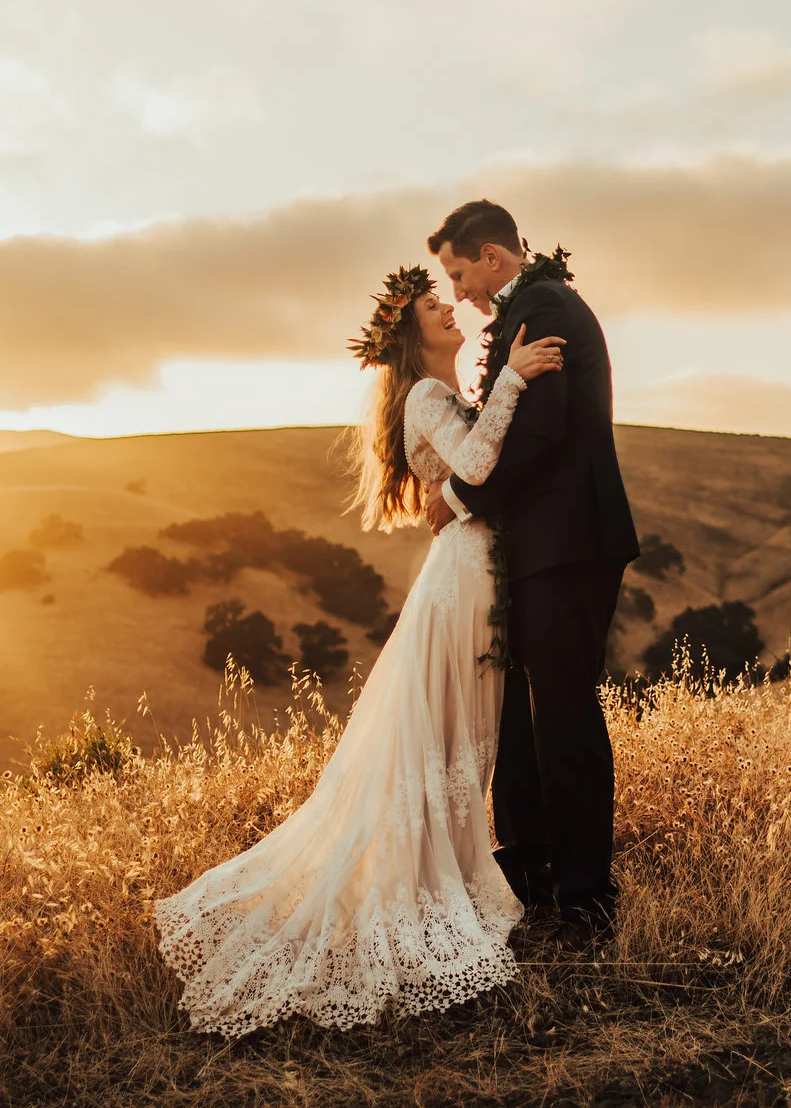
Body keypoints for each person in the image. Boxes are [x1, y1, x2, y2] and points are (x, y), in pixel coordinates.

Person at [153, 265, 567, 1035]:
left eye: (447, 299)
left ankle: (463, 865)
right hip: (466, 577)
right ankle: (436, 879)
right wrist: (512, 376)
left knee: (459, 740)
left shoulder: (443, 396)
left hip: (476, 570)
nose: (449, 308)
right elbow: (476, 468)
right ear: (411, 337)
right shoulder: (425, 396)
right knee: (452, 739)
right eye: (433, 307)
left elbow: (471, 473)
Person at [425, 199, 639, 936]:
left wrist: (458, 493)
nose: (457, 294)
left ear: (492, 256)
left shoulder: (542, 301)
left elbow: (541, 432)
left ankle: (587, 896)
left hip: (569, 540)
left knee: (564, 712)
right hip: (542, 544)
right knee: (526, 711)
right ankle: (531, 870)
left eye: (459, 273)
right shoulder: (536, 303)